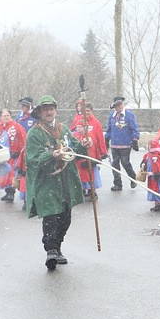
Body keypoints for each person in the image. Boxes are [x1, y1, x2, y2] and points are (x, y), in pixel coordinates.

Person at [25, 95, 90, 270]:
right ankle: (51, 250)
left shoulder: (64, 130)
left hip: (66, 180)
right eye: (45, 109)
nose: (48, 112)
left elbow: (74, 148)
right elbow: (33, 158)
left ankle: (58, 246)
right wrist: (51, 155)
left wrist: (84, 145)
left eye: (51, 108)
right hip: (47, 181)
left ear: (55, 110)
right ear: (39, 112)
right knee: (51, 215)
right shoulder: (35, 133)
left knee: (65, 217)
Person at [70, 99, 108, 198]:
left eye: (88, 111)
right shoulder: (78, 120)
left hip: (92, 150)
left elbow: (99, 137)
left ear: (91, 111)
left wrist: (102, 152)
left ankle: (92, 190)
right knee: (81, 172)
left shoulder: (96, 122)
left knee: (91, 171)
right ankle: (83, 189)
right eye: (84, 111)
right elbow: (72, 132)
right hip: (81, 151)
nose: (86, 113)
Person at [105, 96, 140, 191]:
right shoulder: (112, 116)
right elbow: (109, 129)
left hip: (125, 144)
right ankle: (117, 183)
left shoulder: (129, 115)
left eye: (120, 106)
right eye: (116, 106)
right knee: (115, 164)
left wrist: (135, 139)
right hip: (115, 144)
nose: (119, 108)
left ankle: (133, 178)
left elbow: (134, 128)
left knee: (125, 162)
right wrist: (106, 140)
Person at [0, 108, 27, 204]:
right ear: (0, 117)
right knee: (5, 175)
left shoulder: (16, 126)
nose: (6, 117)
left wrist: (21, 151)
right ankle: (8, 192)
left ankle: (13, 192)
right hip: (3, 156)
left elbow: (23, 138)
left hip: (14, 155)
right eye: (4, 116)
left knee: (14, 176)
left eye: (8, 116)